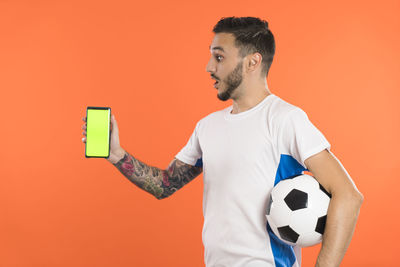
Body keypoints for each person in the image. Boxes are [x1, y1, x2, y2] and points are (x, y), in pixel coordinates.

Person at [81, 16, 363, 267]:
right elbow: (164, 185)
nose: (208, 67)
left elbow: (348, 196)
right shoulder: (208, 127)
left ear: (252, 61)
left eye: (219, 57)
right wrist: (116, 154)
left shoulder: (284, 119)